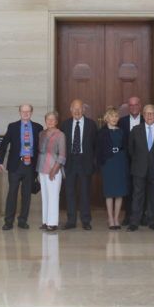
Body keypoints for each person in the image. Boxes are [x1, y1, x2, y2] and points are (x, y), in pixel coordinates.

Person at [0, 103, 43, 230]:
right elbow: (4, 145)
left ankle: (23, 220)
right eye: (23, 111)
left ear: (31, 112)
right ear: (19, 112)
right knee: (12, 193)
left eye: (28, 111)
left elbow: (41, 148)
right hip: (15, 165)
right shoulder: (13, 127)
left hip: (30, 166)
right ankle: (8, 221)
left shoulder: (38, 127)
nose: (25, 113)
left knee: (26, 194)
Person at [60, 99, 97, 230]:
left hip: (85, 162)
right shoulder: (65, 125)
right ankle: (71, 221)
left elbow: (95, 146)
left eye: (79, 108)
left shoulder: (91, 125)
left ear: (84, 110)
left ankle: (86, 220)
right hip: (70, 162)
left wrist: (94, 163)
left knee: (85, 192)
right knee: (69, 192)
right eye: (74, 108)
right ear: (70, 110)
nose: (77, 111)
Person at [127, 104, 154, 231]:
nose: (149, 116)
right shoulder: (136, 130)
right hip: (139, 168)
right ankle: (134, 222)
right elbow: (131, 150)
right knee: (137, 195)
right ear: (143, 115)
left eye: (152, 113)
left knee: (153, 196)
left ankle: (152, 221)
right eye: (147, 113)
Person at [96, 107, 129, 229]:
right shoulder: (101, 132)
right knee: (109, 193)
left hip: (120, 162)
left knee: (119, 193)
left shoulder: (121, 131)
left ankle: (116, 219)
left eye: (116, 116)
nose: (114, 118)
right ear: (107, 118)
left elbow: (126, 148)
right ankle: (110, 219)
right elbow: (98, 150)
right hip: (108, 163)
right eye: (112, 116)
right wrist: (100, 164)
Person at [37, 110, 66, 232]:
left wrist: (54, 169)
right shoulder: (41, 133)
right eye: (48, 119)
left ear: (56, 121)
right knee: (45, 196)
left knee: (53, 196)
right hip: (42, 168)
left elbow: (62, 155)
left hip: (54, 168)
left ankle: (52, 223)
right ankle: (45, 221)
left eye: (52, 119)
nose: (50, 121)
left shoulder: (60, 135)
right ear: (45, 121)